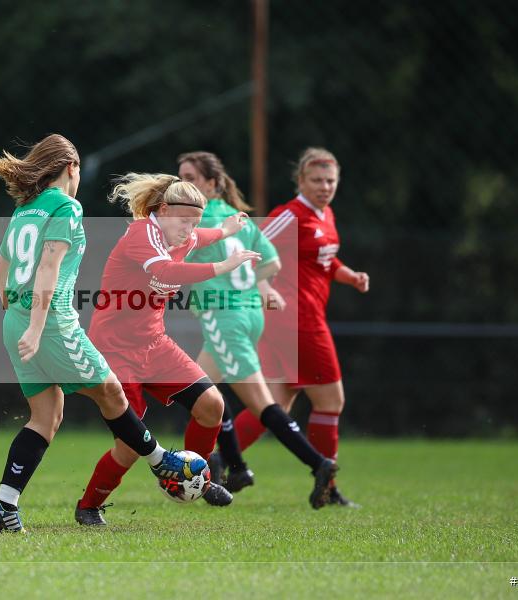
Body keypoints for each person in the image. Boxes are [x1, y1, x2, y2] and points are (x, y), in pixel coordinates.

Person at [0, 134, 204, 533]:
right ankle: (161, 461)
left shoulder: (25, 208)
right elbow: (48, 267)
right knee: (112, 392)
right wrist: (37, 326)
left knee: (46, 416)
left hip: (16, 319)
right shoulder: (66, 206)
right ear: (72, 168)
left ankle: (4, 505)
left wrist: (11, 307)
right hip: (50, 322)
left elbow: (4, 262)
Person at [74, 172, 258, 527]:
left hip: (155, 344)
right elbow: (166, 269)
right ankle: (89, 506)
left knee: (212, 405)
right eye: (183, 220)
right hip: (115, 350)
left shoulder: (184, 234)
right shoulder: (142, 233)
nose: (189, 229)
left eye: (194, 221)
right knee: (130, 446)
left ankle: (196, 478)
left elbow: (202, 236)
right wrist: (222, 265)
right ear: (162, 210)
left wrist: (226, 230)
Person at [179, 151, 339, 509]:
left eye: (190, 178)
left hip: (225, 320)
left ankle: (317, 463)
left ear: (212, 184)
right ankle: (234, 468)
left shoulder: (198, 220)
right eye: (180, 177)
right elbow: (272, 263)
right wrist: (252, 288)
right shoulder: (238, 218)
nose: (182, 184)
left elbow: (170, 260)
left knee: (261, 404)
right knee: (201, 392)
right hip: (249, 317)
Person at [233, 147, 369, 508]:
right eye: (317, 180)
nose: (325, 187)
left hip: (298, 320)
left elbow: (325, 259)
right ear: (300, 181)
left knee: (274, 403)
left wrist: (349, 276)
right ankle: (328, 485)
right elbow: (252, 247)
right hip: (297, 321)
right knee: (331, 401)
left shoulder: (325, 214)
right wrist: (263, 288)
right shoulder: (290, 215)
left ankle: (217, 462)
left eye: (330, 181)